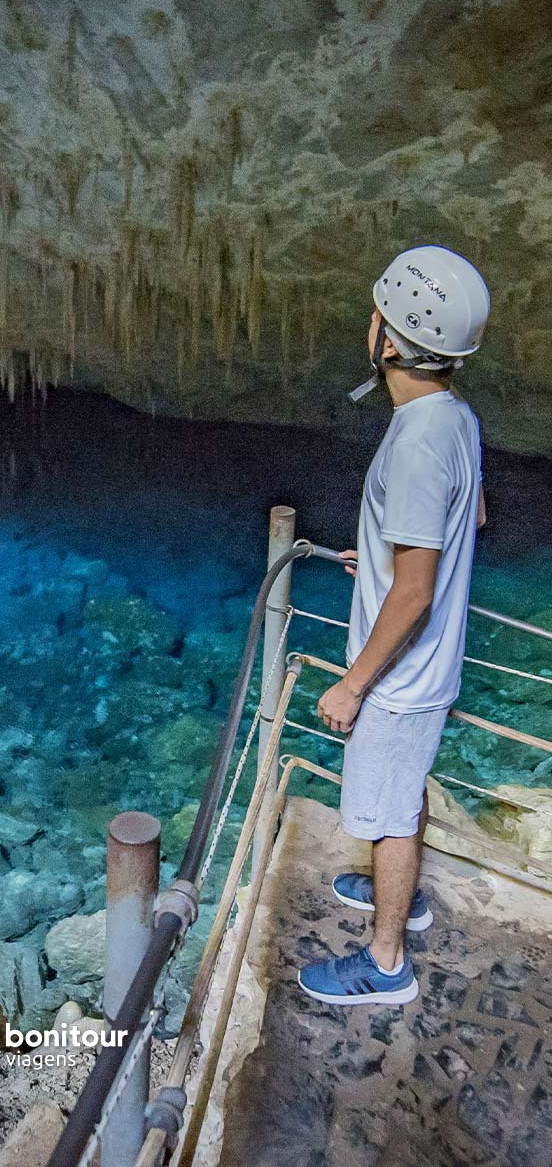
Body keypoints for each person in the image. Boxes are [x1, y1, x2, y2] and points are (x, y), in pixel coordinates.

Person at [298, 245, 490, 1007]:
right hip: (431, 666)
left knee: (391, 814)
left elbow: (414, 596)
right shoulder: (452, 418)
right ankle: (395, 892)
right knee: (399, 797)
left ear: (391, 337)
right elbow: (466, 516)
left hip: (402, 681)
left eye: (376, 311)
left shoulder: (415, 441)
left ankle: (385, 962)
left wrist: (352, 684)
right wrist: (378, 556)